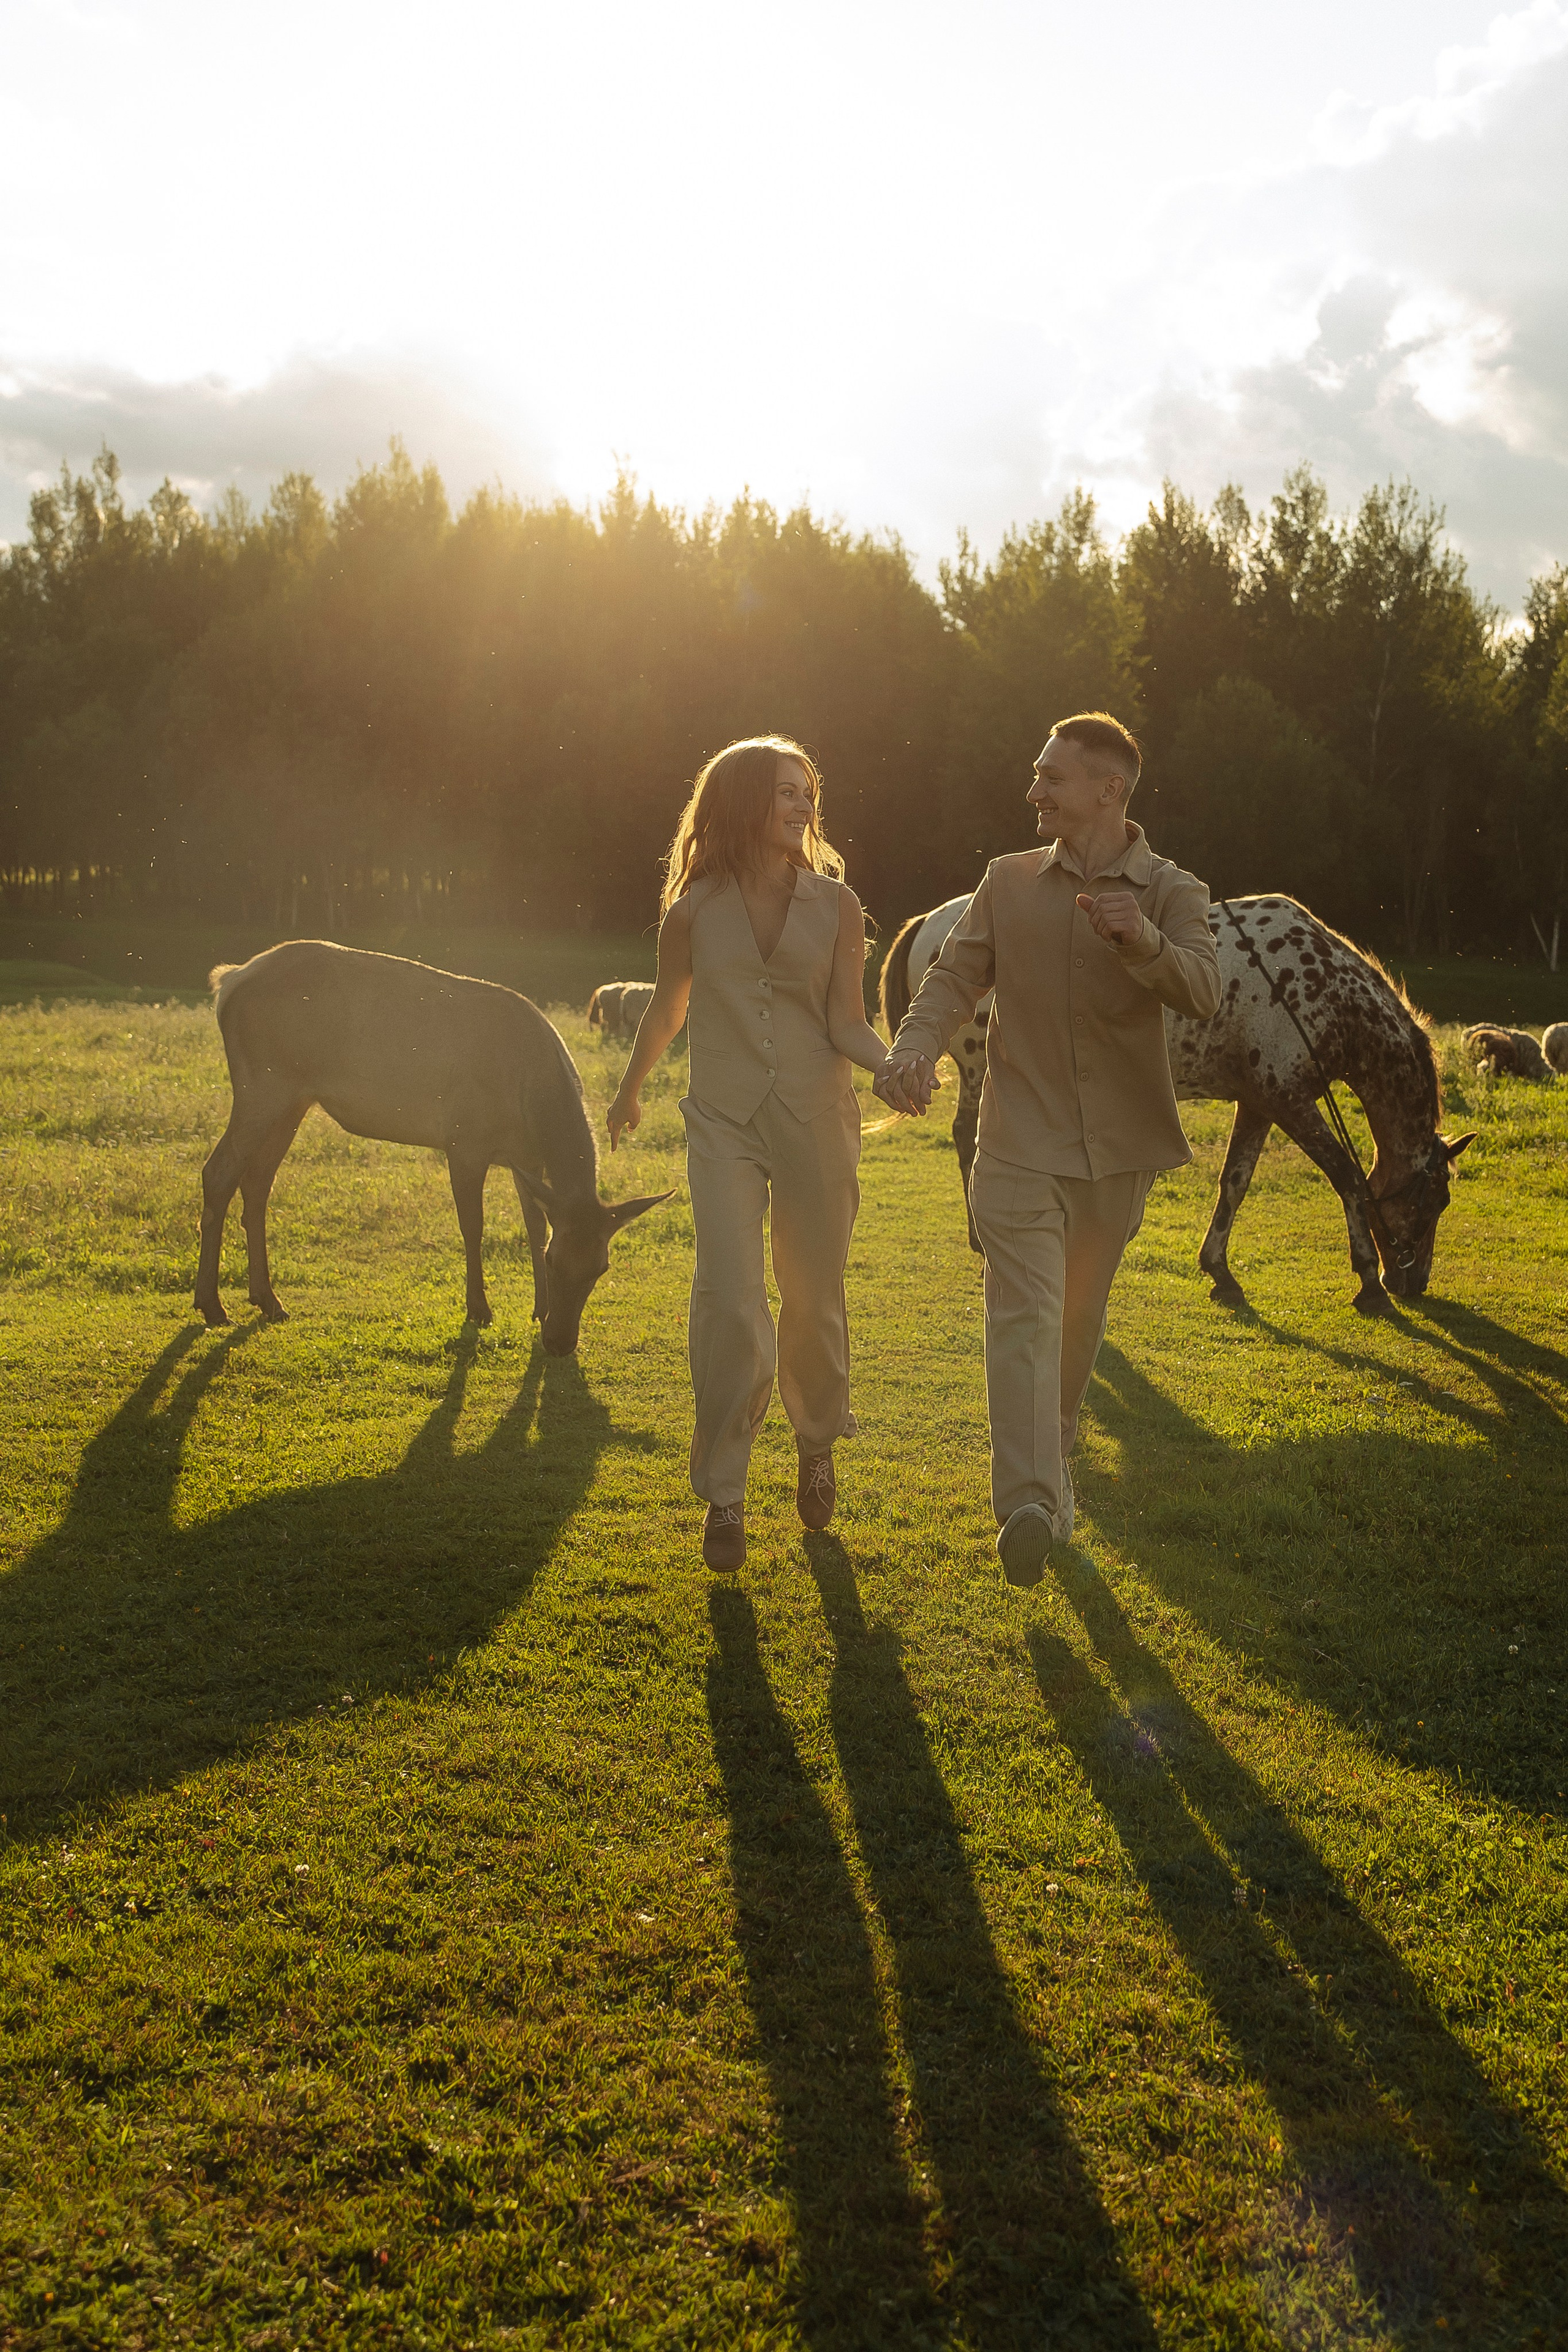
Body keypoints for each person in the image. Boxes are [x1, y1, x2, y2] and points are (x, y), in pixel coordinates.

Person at [876, 711, 1221, 1589]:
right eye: (1036, 774)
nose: (1033, 790)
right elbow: (954, 975)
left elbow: (1203, 990)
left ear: (1110, 790)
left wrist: (1141, 940)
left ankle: (1056, 1454)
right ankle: (1027, 1503)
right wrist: (913, 1048)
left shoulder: (1174, 891)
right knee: (1024, 1312)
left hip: (1119, 1150)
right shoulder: (1007, 880)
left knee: (1076, 1319)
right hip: (1018, 1139)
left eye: (1051, 777)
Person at [608, 736, 892, 1571]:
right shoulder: (693, 911)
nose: (804, 805)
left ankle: (816, 1442)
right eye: (785, 791)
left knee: (814, 1298)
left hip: (816, 1118)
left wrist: (893, 1067)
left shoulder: (838, 906)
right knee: (731, 1301)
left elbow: (847, 1021)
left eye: (808, 792)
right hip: (723, 1123)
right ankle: (725, 1492)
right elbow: (668, 1008)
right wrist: (630, 1089)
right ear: (740, 801)